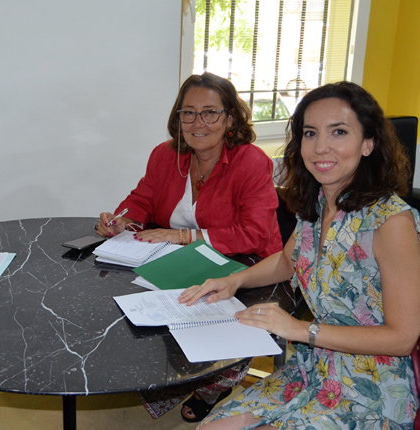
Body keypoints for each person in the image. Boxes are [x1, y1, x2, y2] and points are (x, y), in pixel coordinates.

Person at [180, 81, 420, 429]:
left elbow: (402, 338)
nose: (321, 147)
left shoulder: (391, 222)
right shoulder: (319, 202)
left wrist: (299, 328)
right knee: (212, 427)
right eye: (310, 133)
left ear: (368, 143)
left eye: (338, 132)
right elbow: (287, 260)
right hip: (310, 369)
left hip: (371, 388)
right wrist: (233, 281)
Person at [95, 72, 283, 422]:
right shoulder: (165, 155)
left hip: (248, 265)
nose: (199, 122)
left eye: (210, 112)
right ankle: (178, 375)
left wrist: (185, 237)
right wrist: (122, 220)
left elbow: (255, 233)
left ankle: (215, 382)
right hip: (184, 262)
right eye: (188, 113)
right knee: (134, 304)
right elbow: (143, 200)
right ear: (177, 118)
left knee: (199, 314)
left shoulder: (251, 161)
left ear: (230, 118)